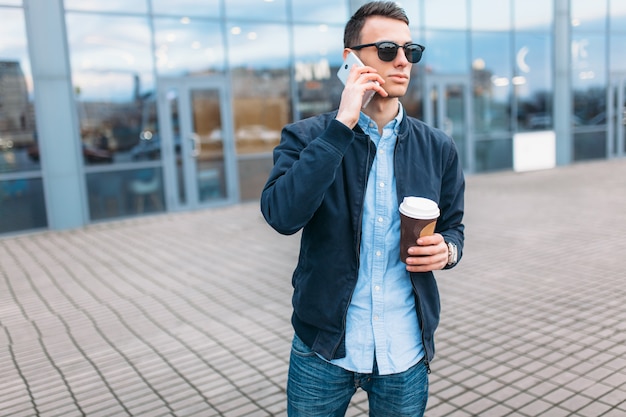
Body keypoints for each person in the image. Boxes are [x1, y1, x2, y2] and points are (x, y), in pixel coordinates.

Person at [260, 1, 465, 415]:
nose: (403, 61)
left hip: (404, 350)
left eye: (412, 51)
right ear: (350, 59)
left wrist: (449, 252)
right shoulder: (307, 137)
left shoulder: (437, 146)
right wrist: (342, 126)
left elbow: (455, 227)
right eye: (388, 50)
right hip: (324, 349)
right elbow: (282, 215)